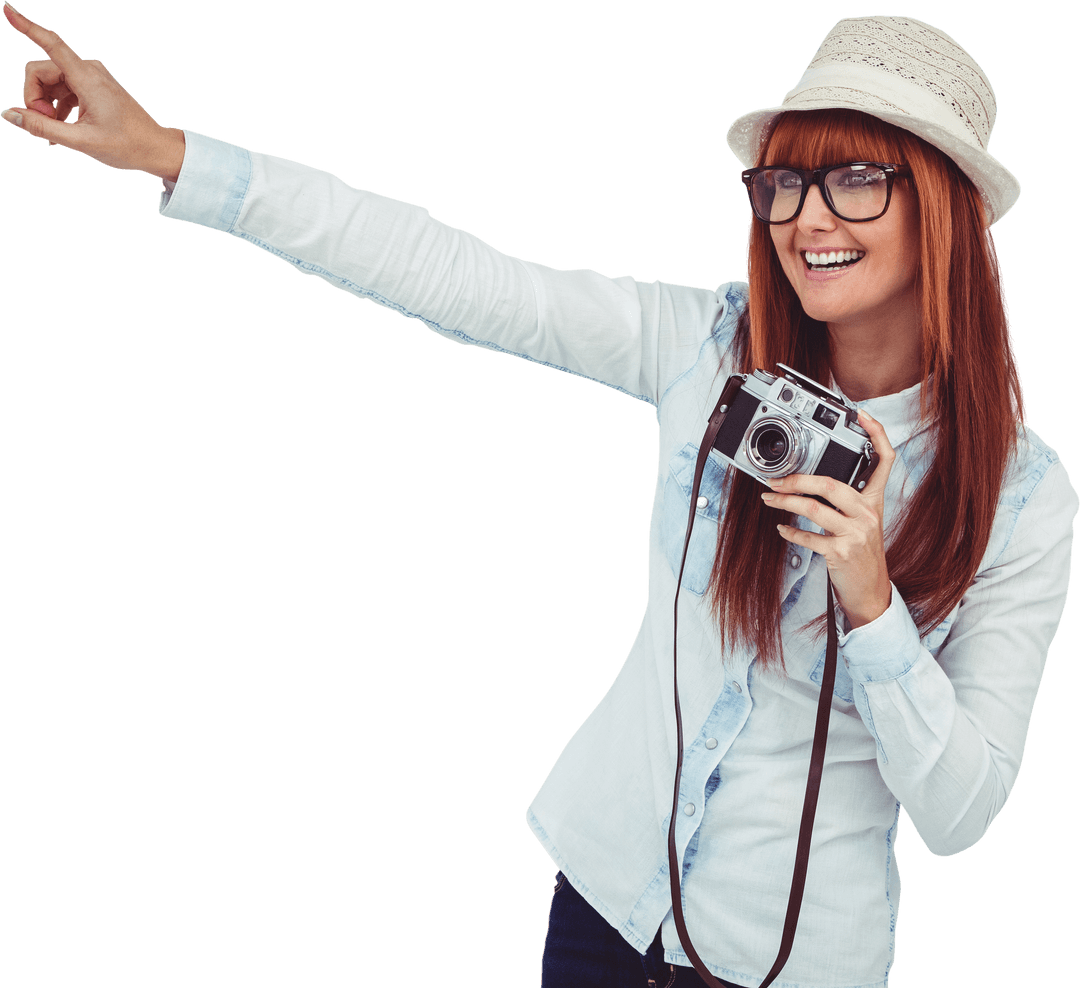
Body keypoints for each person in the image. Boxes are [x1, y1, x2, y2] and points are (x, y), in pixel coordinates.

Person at [3, 5, 1075, 987]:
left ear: (947, 203)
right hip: (602, 909)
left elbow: (961, 812)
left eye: (855, 178)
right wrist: (168, 153)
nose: (806, 217)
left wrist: (872, 598)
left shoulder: (1022, 497)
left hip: (794, 962)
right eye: (785, 182)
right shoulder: (707, 353)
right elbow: (456, 275)